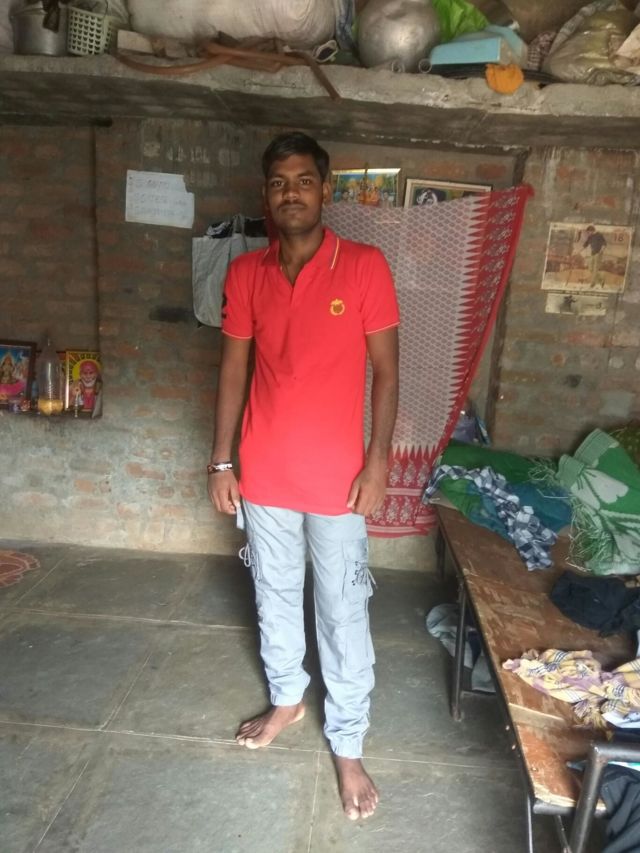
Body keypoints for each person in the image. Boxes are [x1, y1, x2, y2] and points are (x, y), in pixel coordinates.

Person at [208, 131, 400, 821]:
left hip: (340, 479)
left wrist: (378, 460)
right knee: (275, 595)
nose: (292, 193)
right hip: (264, 471)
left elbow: (386, 372)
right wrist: (222, 459)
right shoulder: (246, 274)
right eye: (279, 182)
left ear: (324, 190)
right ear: (266, 195)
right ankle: (288, 700)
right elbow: (233, 369)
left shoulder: (365, 267)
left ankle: (347, 743)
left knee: (343, 609)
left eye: (304, 180)